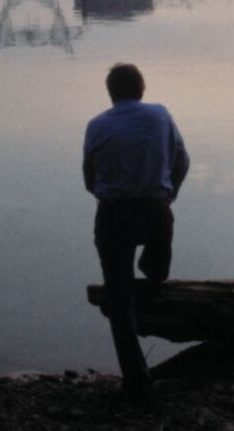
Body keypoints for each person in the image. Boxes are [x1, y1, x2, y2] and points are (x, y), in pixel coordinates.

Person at [82, 62, 189, 400]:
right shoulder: (160, 115)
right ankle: (152, 271)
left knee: (119, 299)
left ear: (110, 93)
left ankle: (137, 380)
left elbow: (89, 179)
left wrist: (110, 191)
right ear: (142, 89)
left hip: (113, 215)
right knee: (157, 270)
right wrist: (168, 195)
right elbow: (182, 161)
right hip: (155, 213)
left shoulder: (96, 125)